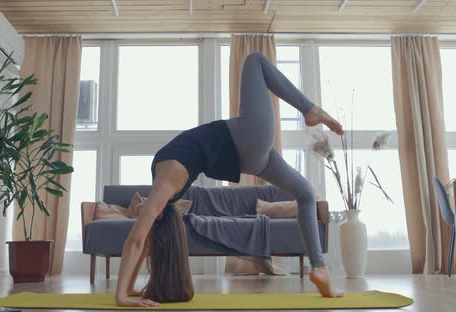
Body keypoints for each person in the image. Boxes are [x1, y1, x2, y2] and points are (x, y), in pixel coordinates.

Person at [115, 52, 345, 308]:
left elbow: (145, 241)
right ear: (156, 214)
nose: (140, 210)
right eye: (143, 212)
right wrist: (121, 297)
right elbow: (136, 239)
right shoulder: (164, 185)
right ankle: (310, 110)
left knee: (305, 194)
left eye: (140, 210)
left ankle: (320, 268)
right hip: (244, 139)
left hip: (249, 157)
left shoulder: (166, 196)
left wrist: (131, 287)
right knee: (254, 61)